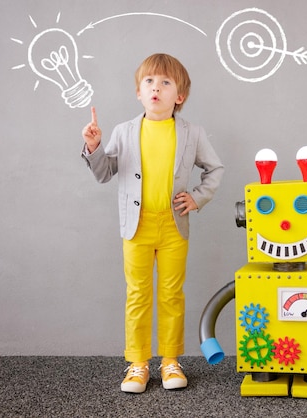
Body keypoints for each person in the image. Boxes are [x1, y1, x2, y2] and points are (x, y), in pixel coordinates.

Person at [81, 53, 224, 393]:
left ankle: (171, 360)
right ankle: (138, 364)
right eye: (149, 82)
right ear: (138, 93)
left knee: (172, 294)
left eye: (165, 83)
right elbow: (103, 173)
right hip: (137, 226)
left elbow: (214, 169)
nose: (155, 88)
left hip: (174, 226)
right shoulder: (124, 131)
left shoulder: (192, 132)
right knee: (138, 294)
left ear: (180, 96)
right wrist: (93, 145)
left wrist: (198, 197)